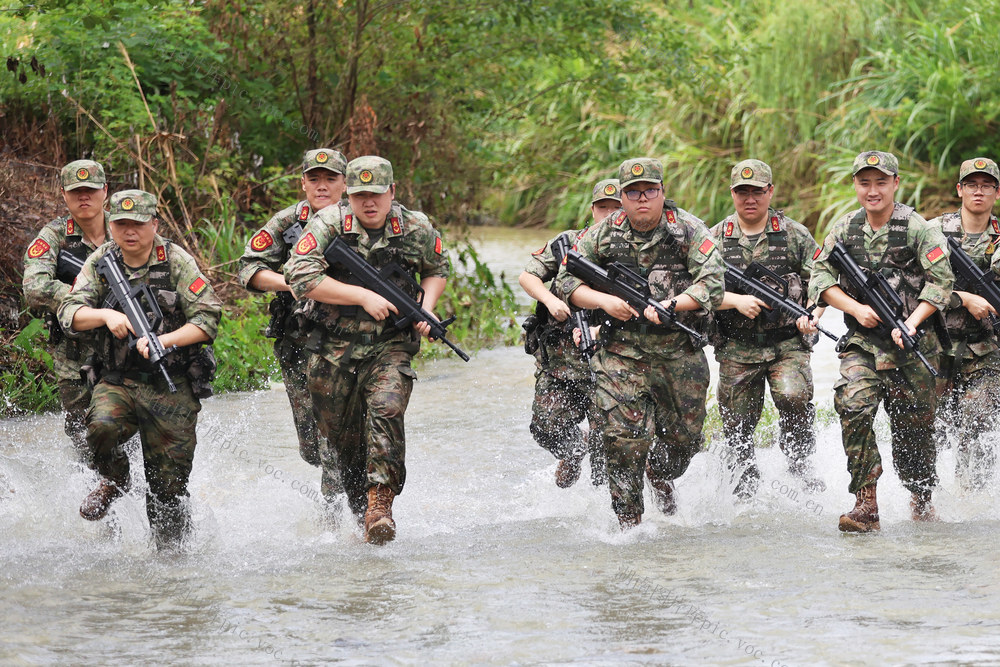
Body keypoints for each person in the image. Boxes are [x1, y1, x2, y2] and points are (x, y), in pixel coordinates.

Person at [283, 156, 450, 544]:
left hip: (389, 346)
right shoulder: (327, 223)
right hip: (330, 349)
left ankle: (381, 505)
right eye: (359, 195)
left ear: (392, 191)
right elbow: (299, 274)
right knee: (342, 444)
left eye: (376, 194)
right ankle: (363, 513)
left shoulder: (416, 227)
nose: (369, 204)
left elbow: (437, 268)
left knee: (387, 411)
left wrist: (426, 307)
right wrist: (361, 294)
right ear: (349, 194)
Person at [558, 158, 724, 528]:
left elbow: (712, 281)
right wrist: (604, 302)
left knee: (684, 444)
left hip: (678, 351)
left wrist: (673, 305)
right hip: (622, 353)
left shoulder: (689, 229)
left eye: (650, 190)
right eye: (633, 193)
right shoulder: (604, 232)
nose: (642, 198)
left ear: (663, 193)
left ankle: (658, 470)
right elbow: (565, 280)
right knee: (622, 440)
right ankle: (629, 524)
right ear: (622, 197)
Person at [58, 190, 222, 548]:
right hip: (118, 379)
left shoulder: (176, 260)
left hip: (171, 384)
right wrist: (105, 314)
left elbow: (208, 317)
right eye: (121, 224)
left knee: (169, 488)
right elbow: (69, 311)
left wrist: (167, 341)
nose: (129, 231)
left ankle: (170, 561)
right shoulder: (102, 259)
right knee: (100, 427)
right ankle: (115, 478)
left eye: (138, 224)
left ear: (155, 224)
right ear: (111, 224)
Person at [810, 151, 953, 532]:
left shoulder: (918, 228)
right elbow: (820, 279)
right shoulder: (844, 228)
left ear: (895, 184)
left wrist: (911, 321)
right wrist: (855, 309)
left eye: (880, 182)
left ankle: (921, 499)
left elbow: (942, 283)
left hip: (912, 346)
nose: (872, 191)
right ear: (856, 185)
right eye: (864, 182)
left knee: (915, 435)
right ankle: (865, 503)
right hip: (863, 343)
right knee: (852, 405)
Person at [709, 159, 826, 499]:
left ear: (770, 192)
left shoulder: (793, 234)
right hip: (737, 346)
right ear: (732, 193)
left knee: (794, 396)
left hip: (786, 343)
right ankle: (743, 486)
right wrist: (733, 301)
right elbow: (696, 289)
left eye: (757, 192)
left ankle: (801, 469)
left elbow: (823, 280)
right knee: (737, 426)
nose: (750, 199)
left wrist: (813, 313)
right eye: (742, 192)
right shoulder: (715, 237)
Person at [238, 148, 347, 501]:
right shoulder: (288, 222)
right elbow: (248, 268)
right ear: (303, 183)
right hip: (296, 341)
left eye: (330, 178)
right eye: (314, 179)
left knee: (334, 440)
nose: (322, 186)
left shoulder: (359, 218)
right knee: (312, 447)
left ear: (344, 183)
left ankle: (333, 522)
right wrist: (295, 282)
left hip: (345, 343)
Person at [518, 178, 620, 488]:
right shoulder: (569, 243)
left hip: (612, 365)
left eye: (616, 209)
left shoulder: (634, 252)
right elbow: (528, 276)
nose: (609, 215)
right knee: (545, 427)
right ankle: (576, 451)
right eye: (603, 208)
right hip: (562, 364)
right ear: (592, 210)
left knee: (608, 460)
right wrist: (550, 300)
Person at [22, 160, 110, 466]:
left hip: (124, 349)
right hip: (74, 357)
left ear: (105, 192)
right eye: (76, 192)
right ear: (64, 195)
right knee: (86, 441)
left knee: (133, 433)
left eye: (90, 190)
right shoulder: (55, 235)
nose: (84, 197)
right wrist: (78, 299)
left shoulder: (126, 230)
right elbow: (34, 286)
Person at [928, 157, 1000, 490]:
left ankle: (974, 499)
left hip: (984, 349)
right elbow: (912, 284)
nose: (979, 191)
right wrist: (962, 298)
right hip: (937, 347)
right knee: (934, 428)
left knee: (981, 422)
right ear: (959, 189)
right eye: (972, 184)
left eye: (986, 185)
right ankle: (931, 499)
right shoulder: (933, 231)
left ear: (996, 193)